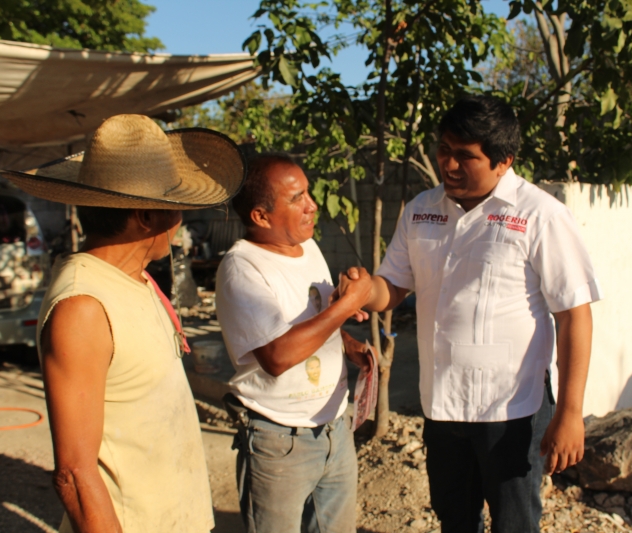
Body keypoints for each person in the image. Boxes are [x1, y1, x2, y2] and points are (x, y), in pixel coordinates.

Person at [338, 94, 602, 533]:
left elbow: (574, 315)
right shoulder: (422, 210)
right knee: (454, 521)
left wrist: (571, 412)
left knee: (514, 525)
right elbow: (393, 287)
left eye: (466, 156)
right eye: (444, 149)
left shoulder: (541, 216)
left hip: (513, 410)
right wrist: (362, 290)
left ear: (504, 161)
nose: (449, 164)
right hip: (442, 405)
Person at [0, 114, 246, 533]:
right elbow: (75, 475)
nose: (180, 220)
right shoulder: (83, 307)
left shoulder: (135, 279)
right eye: (174, 207)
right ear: (144, 216)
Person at [214, 153, 373, 533]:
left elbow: (312, 324)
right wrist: (349, 304)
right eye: (297, 198)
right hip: (279, 440)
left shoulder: (309, 247)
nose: (311, 205)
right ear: (261, 217)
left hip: (334, 428)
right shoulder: (241, 268)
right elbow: (277, 355)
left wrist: (345, 341)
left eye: (309, 193)